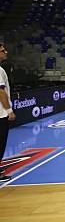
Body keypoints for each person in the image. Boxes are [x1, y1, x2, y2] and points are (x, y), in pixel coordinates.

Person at [0, 43, 16, 182]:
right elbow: (1, 91)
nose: (5, 52)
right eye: (2, 50)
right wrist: (9, 110)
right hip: (1, 114)